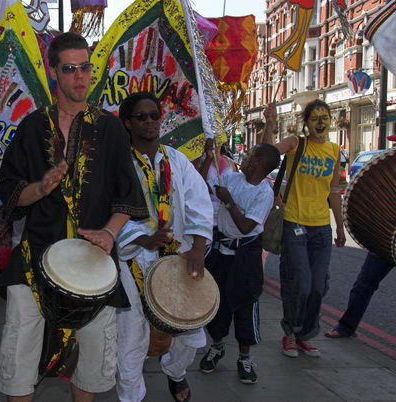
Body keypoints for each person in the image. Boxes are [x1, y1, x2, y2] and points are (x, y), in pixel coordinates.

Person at [0, 32, 147, 401]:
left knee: (95, 360)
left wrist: (109, 235)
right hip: (35, 256)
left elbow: (127, 194)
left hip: (94, 260)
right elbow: (9, 191)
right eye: (70, 69)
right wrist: (41, 188)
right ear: (54, 73)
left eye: (86, 67)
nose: (81, 76)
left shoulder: (110, 127)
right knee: (19, 355)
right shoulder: (32, 127)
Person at [114, 92, 213, 402]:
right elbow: (107, 211)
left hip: (176, 258)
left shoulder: (176, 159)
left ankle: (175, 371)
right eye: (141, 117)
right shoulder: (117, 163)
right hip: (133, 263)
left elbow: (198, 203)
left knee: (193, 334)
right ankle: (132, 397)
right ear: (128, 123)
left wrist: (197, 248)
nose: (149, 121)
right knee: (131, 340)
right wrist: (143, 238)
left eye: (154, 115)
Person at [263, 99, 345, 358]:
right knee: (300, 283)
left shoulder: (334, 151)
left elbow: (333, 193)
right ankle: (289, 333)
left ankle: (305, 336)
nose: (321, 122)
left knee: (319, 286)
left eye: (325, 117)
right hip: (294, 223)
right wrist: (270, 125)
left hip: (321, 228)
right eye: (315, 118)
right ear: (306, 123)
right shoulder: (296, 144)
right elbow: (266, 155)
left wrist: (340, 228)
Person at [199, 144, 280, 385]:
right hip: (221, 253)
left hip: (245, 257)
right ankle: (217, 346)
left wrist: (229, 202)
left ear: (258, 163)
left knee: (245, 304)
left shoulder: (264, 193)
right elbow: (203, 185)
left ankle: (245, 357)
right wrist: (208, 158)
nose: (243, 158)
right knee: (218, 304)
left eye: (250, 155)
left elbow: (246, 227)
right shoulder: (232, 178)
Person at [325, 251, 393, 338]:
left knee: (363, 285)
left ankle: (346, 327)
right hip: (382, 247)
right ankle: (346, 327)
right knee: (363, 285)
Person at [194, 138, 237, 227]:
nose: (214, 142)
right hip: (207, 213)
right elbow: (198, 185)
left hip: (225, 213)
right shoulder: (201, 161)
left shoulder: (230, 162)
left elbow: (235, 186)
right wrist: (208, 159)